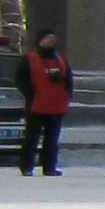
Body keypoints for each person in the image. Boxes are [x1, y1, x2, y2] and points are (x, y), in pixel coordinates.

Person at [18, 28, 69, 174]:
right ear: (40, 41)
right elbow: (20, 79)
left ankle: (49, 167)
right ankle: (27, 167)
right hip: (36, 106)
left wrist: (66, 97)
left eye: (53, 38)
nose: (51, 41)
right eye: (48, 38)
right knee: (31, 138)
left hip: (56, 106)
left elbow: (68, 80)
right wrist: (31, 95)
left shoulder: (61, 59)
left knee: (51, 140)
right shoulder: (29, 58)